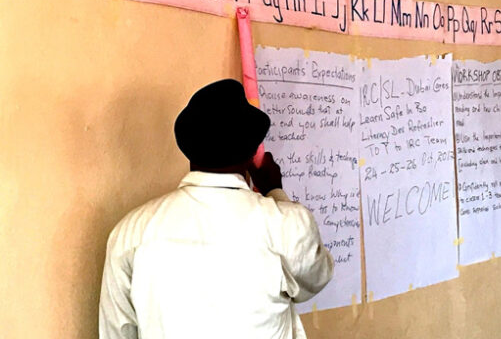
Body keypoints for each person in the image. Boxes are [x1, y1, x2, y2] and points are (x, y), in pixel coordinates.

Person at [99, 79, 334, 339]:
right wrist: (275, 190)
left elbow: (116, 332)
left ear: (188, 149)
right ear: (253, 153)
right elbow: (315, 278)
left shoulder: (129, 233)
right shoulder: (285, 224)